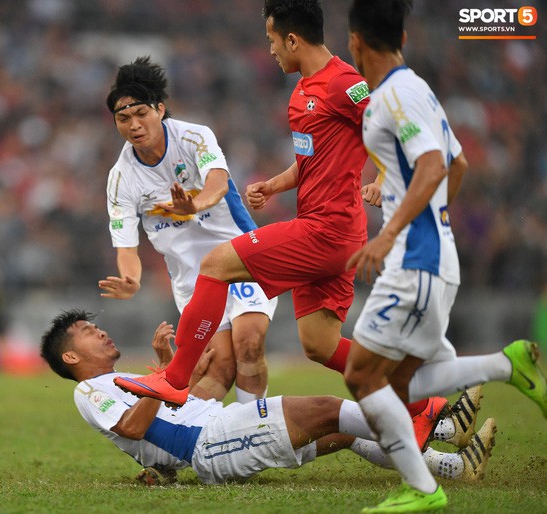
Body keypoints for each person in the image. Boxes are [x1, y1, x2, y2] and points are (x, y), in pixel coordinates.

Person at [112, 0, 434, 429]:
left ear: (293, 39)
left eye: (271, 41)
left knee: (216, 264)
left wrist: (382, 178)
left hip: (328, 229)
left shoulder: (346, 84)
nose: (270, 51)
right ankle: (424, 406)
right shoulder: (301, 92)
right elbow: (310, 162)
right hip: (328, 229)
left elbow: (393, 130)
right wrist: (275, 184)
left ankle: (174, 378)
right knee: (319, 344)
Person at [343, 1, 547, 512]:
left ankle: (422, 488)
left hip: (414, 263)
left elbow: (436, 165)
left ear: (354, 42)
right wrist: (412, 203)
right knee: (401, 382)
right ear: (403, 39)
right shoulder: (419, 90)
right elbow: (456, 165)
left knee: (362, 377)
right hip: (434, 258)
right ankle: (507, 364)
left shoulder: (388, 98)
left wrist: (393, 231)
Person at [40, 309, 496, 488]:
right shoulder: (89, 390)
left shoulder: (121, 380)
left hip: (219, 427)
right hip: (210, 445)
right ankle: (441, 425)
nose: (100, 331)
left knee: (339, 430)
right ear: (72, 354)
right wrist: (161, 376)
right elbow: (135, 429)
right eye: (87, 332)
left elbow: (171, 410)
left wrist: (169, 373)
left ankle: (451, 465)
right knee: (324, 407)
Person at [101, 56, 277, 403]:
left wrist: (193, 206)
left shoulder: (195, 137)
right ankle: (177, 448)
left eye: (141, 114)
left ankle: (257, 432)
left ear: (160, 109)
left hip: (239, 258)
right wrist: (131, 279)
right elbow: (127, 247)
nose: (134, 125)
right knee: (221, 365)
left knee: (249, 343)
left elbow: (219, 183)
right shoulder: (120, 178)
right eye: (123, 119)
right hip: (192, 281)